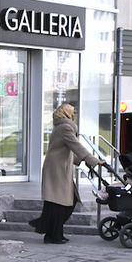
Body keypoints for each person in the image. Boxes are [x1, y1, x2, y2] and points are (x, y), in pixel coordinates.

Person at [29, 103, 104, 244]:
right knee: (60, 203)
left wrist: (79, 160)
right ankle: (53, 234)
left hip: (58, 168)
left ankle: (52, 231)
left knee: (64, 202)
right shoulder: (65, 128)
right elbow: (76, 145)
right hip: (57, 170)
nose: (74, 114)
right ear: (67, 113)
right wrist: (92, 160)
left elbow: (65, 149)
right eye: (72, 112)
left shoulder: (60, 127)